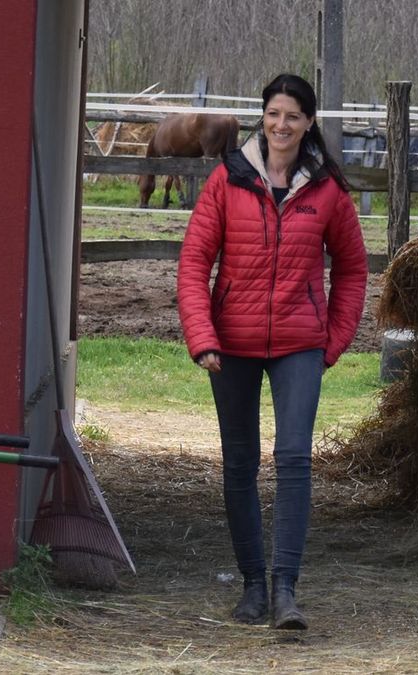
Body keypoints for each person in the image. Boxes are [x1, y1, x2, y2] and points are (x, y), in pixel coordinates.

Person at [177, 73, 367, 630]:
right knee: (239, 464)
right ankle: (253, 588)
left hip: (299, 345)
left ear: (308, 123)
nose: (281, 124)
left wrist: (332, 340)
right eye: (273, 113)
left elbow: (354, 269)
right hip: (229, 345)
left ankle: (286, 590)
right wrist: (202, 335)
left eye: (293, 115)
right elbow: (193, 263)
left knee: (293, 459)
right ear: (262, 117)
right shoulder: (226, 180)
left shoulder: (328, 189)